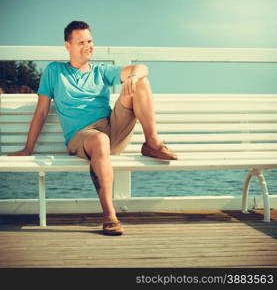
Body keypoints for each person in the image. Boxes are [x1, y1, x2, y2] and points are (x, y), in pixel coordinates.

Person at [8, 21, 178, 235]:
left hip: (111, 129)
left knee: (141, 81)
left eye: (90, 41)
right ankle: (109, 215)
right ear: (67, 46)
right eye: (81, 42)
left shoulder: (101, 71)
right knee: (99, 140)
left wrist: (133, 76)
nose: (88, 46)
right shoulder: (54, 72)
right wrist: (27, 148)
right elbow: (41, 111)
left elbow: (142, 68)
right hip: (83, 136)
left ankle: (152, 143)